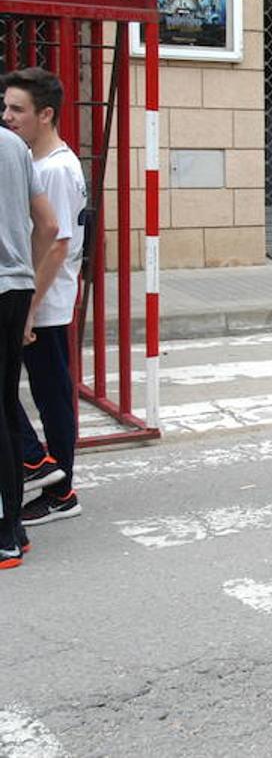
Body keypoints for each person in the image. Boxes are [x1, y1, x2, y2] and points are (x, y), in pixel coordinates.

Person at [2, 68, 85, 525]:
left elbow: (57, 242)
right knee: (43, 392)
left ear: (46, 114)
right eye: (6, 107)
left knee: (52, 396)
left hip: (45, 305)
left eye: (18, 109)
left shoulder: (54, 168)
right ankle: (43, 468)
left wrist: (30, 310)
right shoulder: (38, 162)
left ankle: (59, 485)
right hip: (39, 300)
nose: (7, 117)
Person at [1, 124, 59, 569]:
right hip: (16, 287)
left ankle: (6, 536)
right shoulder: (13, 146)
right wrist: (23, 270)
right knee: (4, 408)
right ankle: (14, 529)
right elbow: (50, 225)